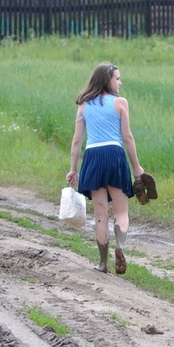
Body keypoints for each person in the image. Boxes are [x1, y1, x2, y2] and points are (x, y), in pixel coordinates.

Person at [67, 63, 145, 274]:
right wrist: (136, 168)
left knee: (101, 215)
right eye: (117, 79)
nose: (120, 82)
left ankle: (103, 264)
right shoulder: (120, 103)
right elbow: (127, 138)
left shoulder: (84, 105)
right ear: (107, 80)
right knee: (121, 212)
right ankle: (120, 247)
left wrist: (73, 169)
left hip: (92, 156)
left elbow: (76, 141)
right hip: (114, 154)